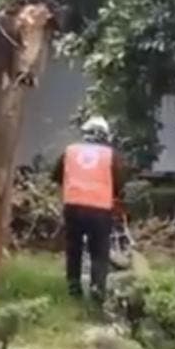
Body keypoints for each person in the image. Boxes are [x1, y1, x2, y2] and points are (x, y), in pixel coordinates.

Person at [51, 116, 124, 304]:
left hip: (73, 205)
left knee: (73, 247)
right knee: (99, 250)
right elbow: (119, 183)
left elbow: (56, 176)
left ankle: (73, 288)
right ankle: (97, 289)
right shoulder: (110, 155)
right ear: (104, 134)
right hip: (100, 208)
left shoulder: (70, 151)